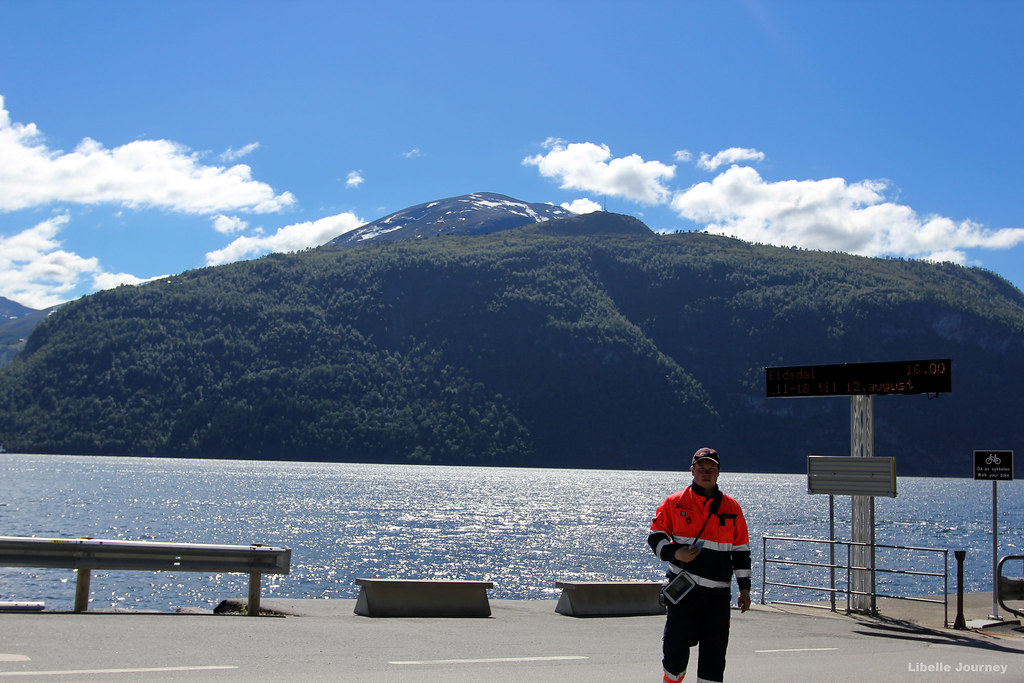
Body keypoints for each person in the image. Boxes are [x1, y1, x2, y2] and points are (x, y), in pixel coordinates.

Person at [648, 447, 751, 683]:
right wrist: (676, 553)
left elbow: (741, 551)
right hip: (684, 592)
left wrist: (744, 589)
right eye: (702, 468)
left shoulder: (732, 508)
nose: (706, 473)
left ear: (718, 472)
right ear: (692, 470)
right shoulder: (675, 502)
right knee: (674, 656)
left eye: (711, 468)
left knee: (714, 659)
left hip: (717, 596)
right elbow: (655, 536)